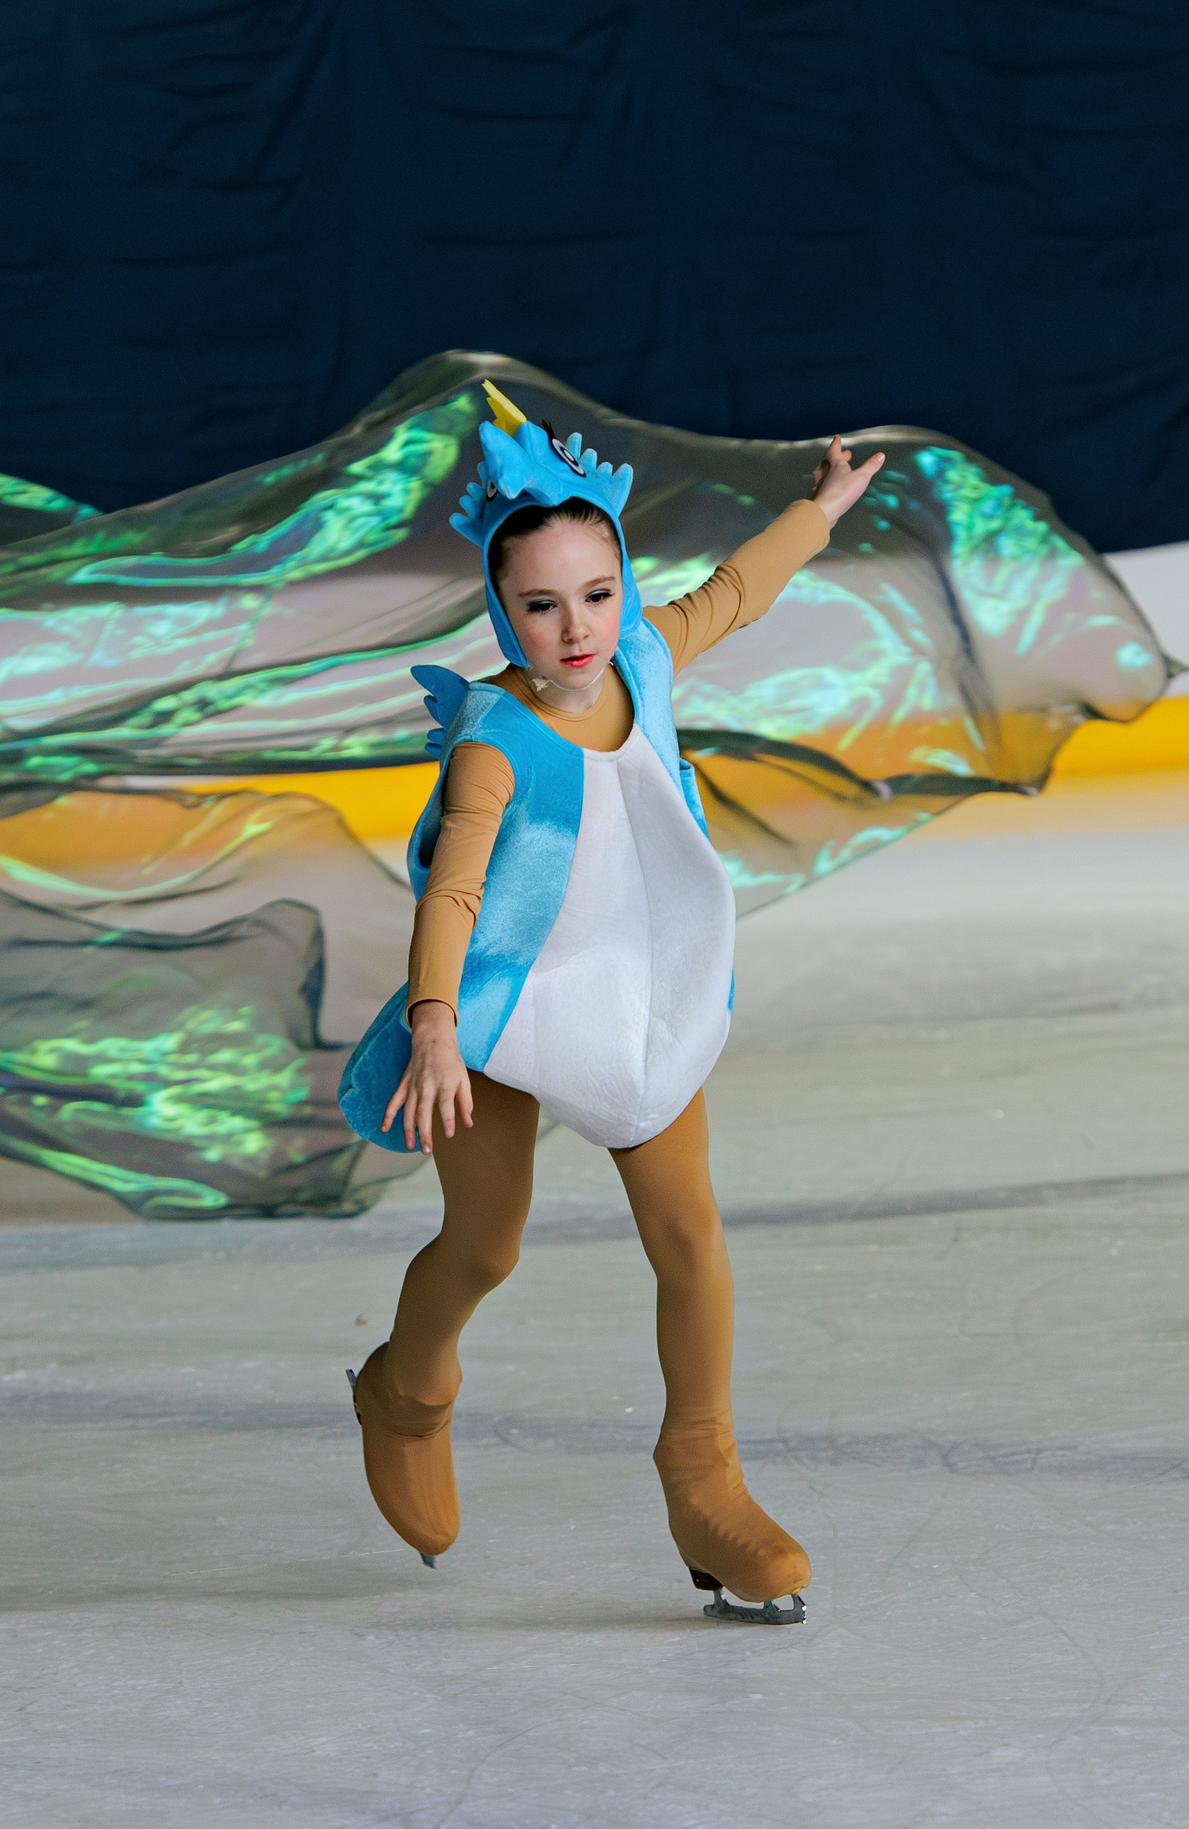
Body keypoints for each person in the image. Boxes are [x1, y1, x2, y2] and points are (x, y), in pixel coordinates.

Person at [337, 381, 881, 1623]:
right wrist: (432, 1024)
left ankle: (703, 1478)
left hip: (630, 997)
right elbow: (456, 892)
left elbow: (733, 594)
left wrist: (818, 512)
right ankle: (404, 1392)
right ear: (502, 611)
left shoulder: (641, 652)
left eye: (597, 592)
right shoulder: (494, 741)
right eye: (540, 604)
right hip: (498, 1022)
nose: (576, 628)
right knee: (487, 1241)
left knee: (689, 1235)